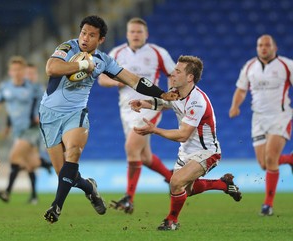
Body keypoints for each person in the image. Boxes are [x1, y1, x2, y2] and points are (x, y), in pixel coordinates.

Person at [39, 15, 178, 223]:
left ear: (101, 39)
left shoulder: (104, 61)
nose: (85, 38)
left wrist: (162, 94)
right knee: (64, 174)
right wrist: (82, 66)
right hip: (49, 114)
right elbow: (51, 68)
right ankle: (89, 188)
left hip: (75, 113)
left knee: (73, 153)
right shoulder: (68, 48)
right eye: (83, 33)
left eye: (92, 35)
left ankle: (56, 206)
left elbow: (133, 80)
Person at [130, 55, 242, 230]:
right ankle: (223, 184)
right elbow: (165, 103)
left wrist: (155, 130)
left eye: (177, 71)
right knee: (184, 190)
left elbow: (182, 135)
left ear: (190, 77)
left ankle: (171, 221)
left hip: (207, 152)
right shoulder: (177, 94)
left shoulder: (197, 101)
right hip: (186, 151)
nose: (172, 74)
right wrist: (143, 103)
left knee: (175, 183)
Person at [98, 17, 174, 214]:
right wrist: (117, 82)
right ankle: (172, 179)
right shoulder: (117, 53)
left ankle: (128, 199)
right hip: (126, 110)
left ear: (146, 34)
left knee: (131, 147)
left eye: (139, 32)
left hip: (150, 107)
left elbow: (174, 75)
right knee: (144, 157)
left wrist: (169, 97)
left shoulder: (158, 53)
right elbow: (102, 78)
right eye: (132, 31)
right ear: (127, 34)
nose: (136, 35)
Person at [229, 34, 293, 216]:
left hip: (281, 116)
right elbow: (241, 90)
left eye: (267, 45)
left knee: (271, 159)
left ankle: (267, 205)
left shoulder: (287, 66)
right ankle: (290, 159)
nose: (263, 48)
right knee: (264, 164)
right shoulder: (250, 66)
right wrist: (235, 106)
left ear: (275, 47)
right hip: (258, 119)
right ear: (257, 48)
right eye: (260, 45)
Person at [0, 56, 44, 204]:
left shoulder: (33, 87)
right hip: (18, 131)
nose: (17, 72)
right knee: (30, 165)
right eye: (14, 69)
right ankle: (34, 194)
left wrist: (38, 115)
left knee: (14, 157)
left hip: (31, 130)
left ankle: (7, 192)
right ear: (10, 72)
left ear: (24, 71)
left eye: (19, 69)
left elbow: (42, 101)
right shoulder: (5, 87)